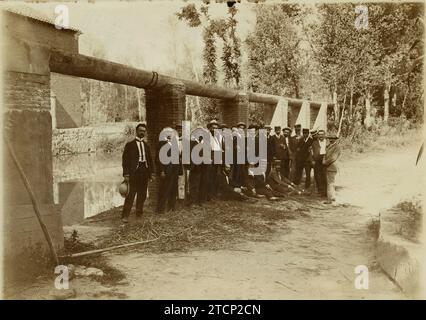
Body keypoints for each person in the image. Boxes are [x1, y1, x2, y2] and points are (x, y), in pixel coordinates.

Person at [121, 123, 154, 223]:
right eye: (140, 130)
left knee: (142, 195)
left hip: (144, 172)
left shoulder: (146, 145)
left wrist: (151, 173)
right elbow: (125, 161)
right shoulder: (130, 145)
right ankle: (125, 216)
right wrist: (126, 174)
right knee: (130, 195)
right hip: (134, 173)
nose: (142, 132)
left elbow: (150, 160)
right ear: (136, 131)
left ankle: (139, 214)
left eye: (144, 131)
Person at [156, 125, 182, 214]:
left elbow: (178, 157)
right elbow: (158, 159)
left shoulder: (174, 143)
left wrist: (179, 171)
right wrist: (162, 170)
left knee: (173, 188)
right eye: (167, 133)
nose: (169, 134)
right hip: (166, 169)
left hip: (174, 169)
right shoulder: (161, 144)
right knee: (164, 189)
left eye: (171, 133)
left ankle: (172, 206)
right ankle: (160, 209)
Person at [323, 133, 341, 204]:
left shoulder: (337, 147)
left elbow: (333, 157)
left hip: (332, 167)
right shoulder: (328, 146)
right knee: (330, 183)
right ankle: (332, 197)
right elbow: (324, 154)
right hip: (328, 167)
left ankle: (329, 199)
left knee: (330, 183)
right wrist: (323, 160)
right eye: (329, 138)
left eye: (332, 138)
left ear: (335, 139)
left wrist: (325, 162)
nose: (330, 139)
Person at [311, 129, 327, 197]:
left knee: (325, 176)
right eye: (319, 134)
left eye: (322, 134)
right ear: (318, 135)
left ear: (324, 135)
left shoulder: (327, 142)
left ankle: (325, 191)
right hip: (317, 160)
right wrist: (312, 160)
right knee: (317, 176)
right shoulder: (314, 142)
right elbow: (311, 153)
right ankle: (320, 191)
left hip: (325, 160)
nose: (320, 136)